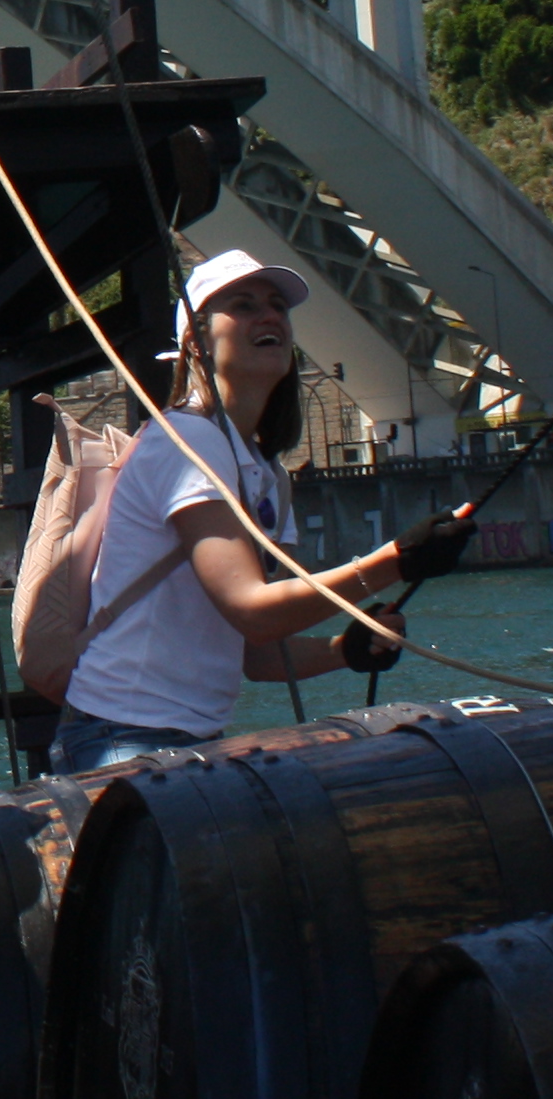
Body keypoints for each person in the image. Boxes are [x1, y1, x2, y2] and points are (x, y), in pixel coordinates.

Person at [47, 252, 471, 773]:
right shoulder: (186, 442)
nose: (269, 316)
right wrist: (396, 562)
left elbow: (258, 651)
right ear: (195, 344)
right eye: (243, 306)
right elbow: (251, 607)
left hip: (191, 739)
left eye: (277, 307)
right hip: (122, 734)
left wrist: (346, 650)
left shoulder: (266, 475)